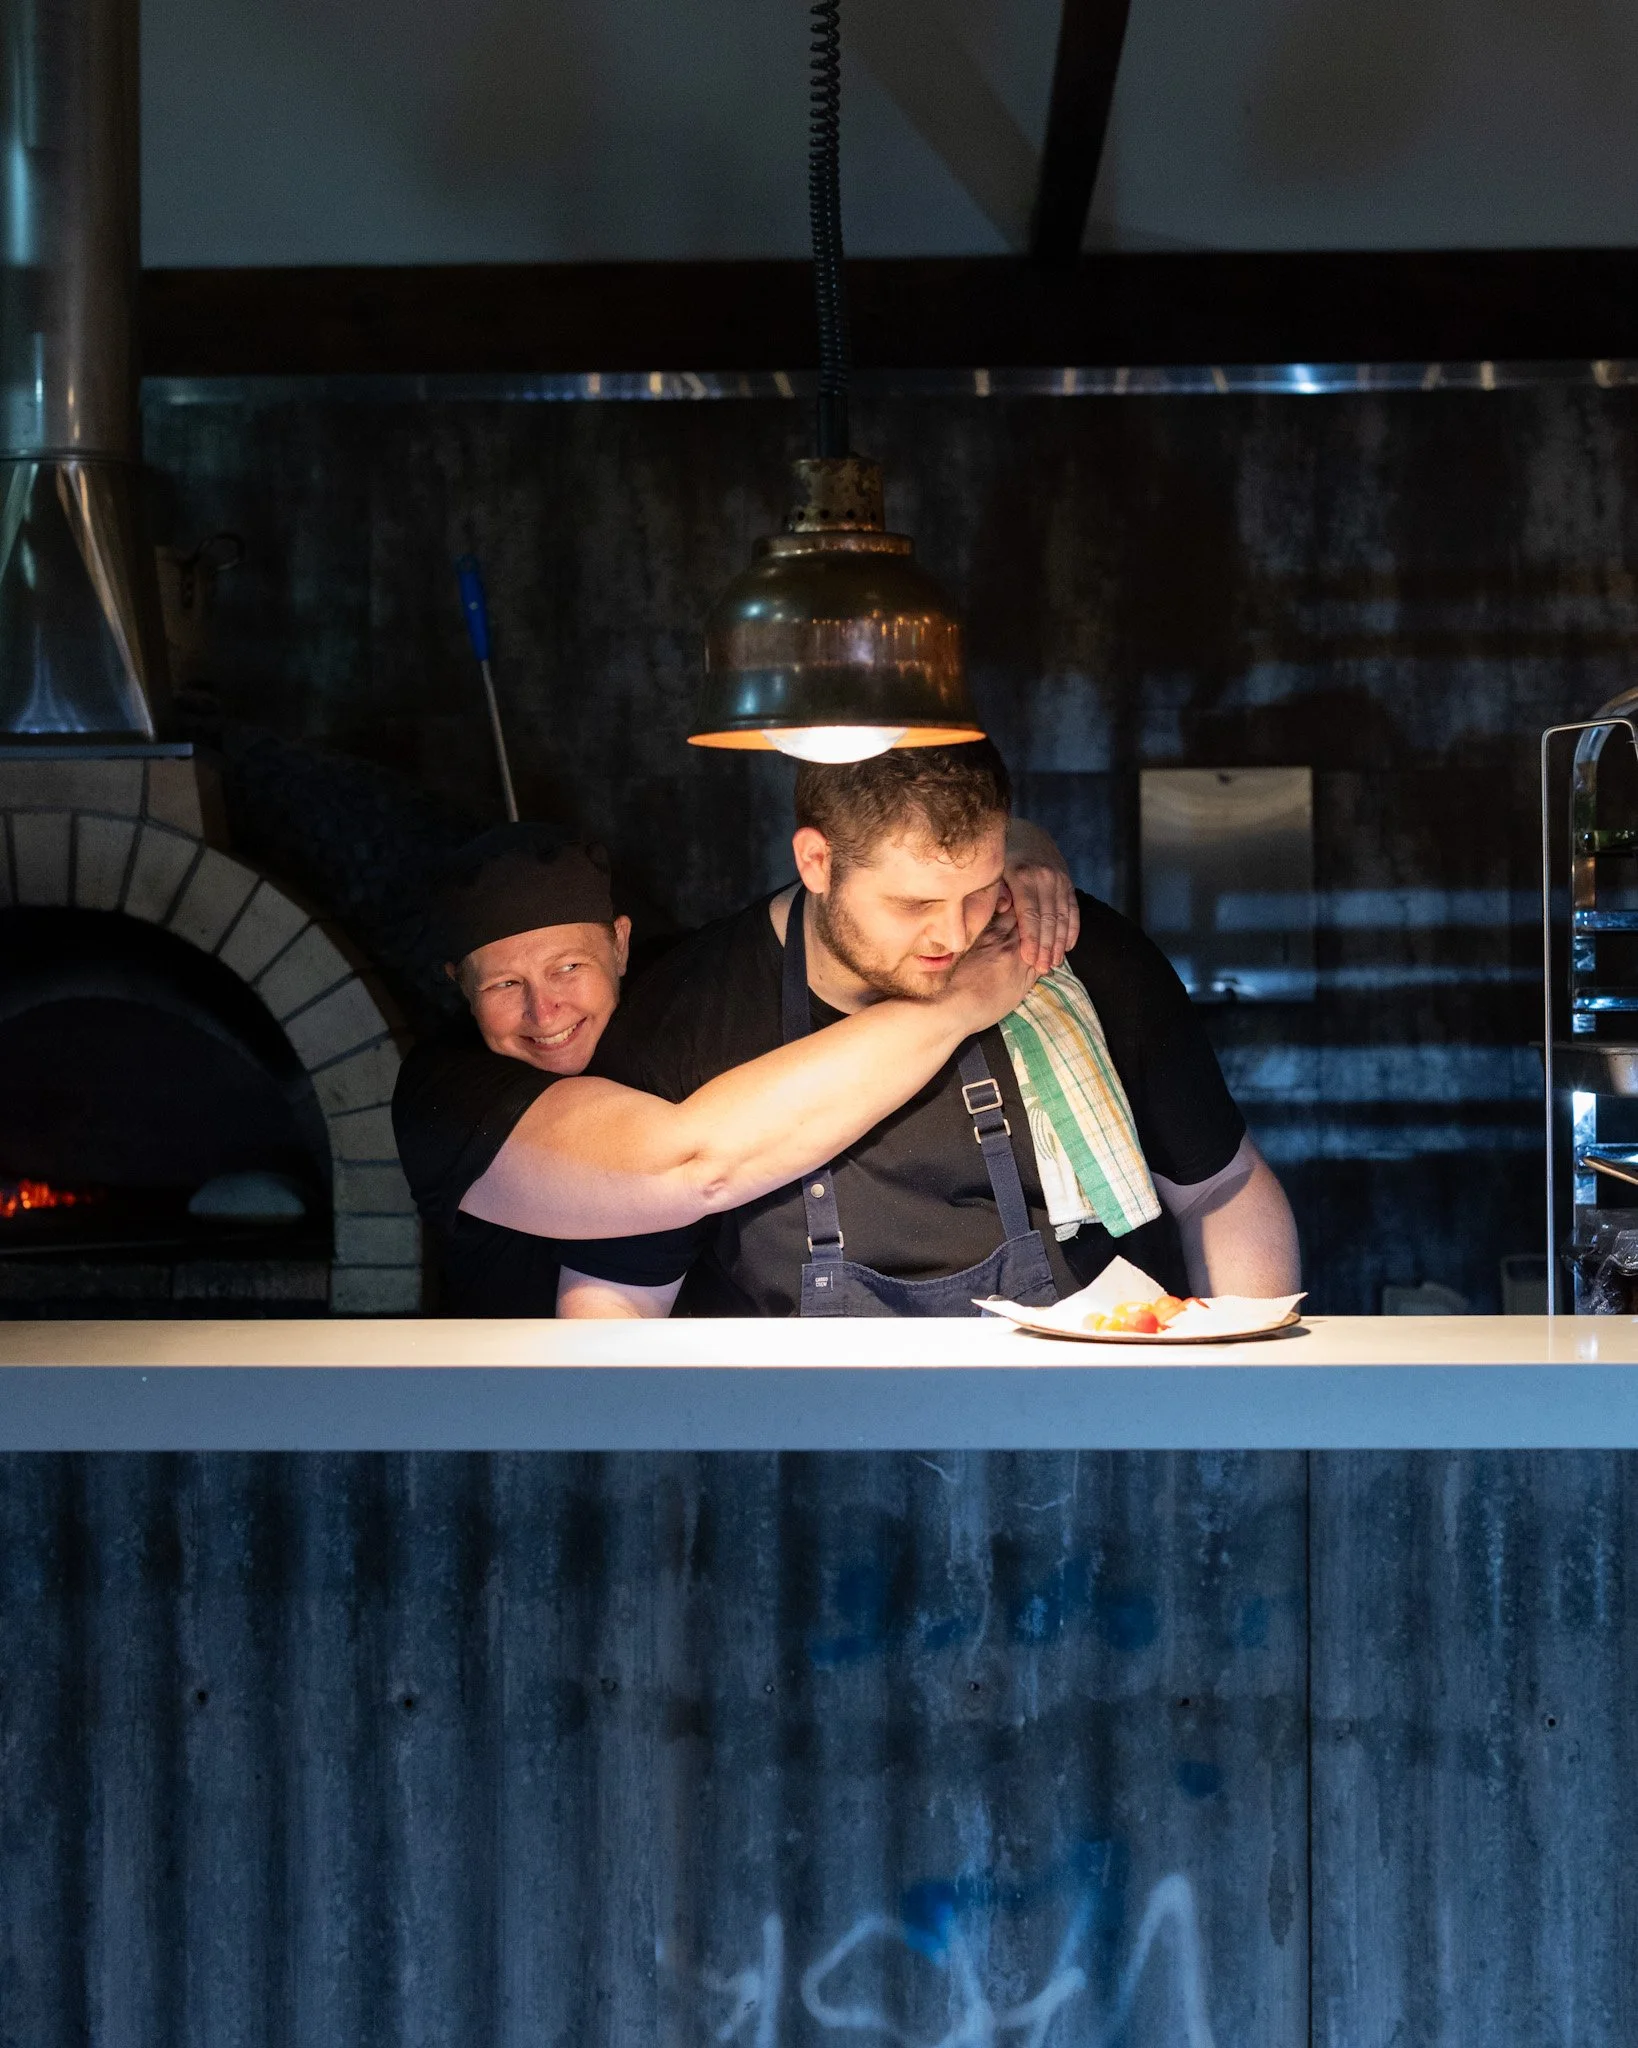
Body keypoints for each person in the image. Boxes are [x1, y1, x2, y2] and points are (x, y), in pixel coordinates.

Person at [554, 742, 1299, 1318]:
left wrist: (1245, 1398)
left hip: (1067, 1442)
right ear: (816, 861)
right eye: (913, 903)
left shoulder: (1062, 952)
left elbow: (1222, 1187)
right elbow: (616, 1293)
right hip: (799, 1465)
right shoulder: (689, 1011)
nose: (954, 933)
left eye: (978, 891)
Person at [391, 825, 1070, 1313]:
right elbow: (690, 1165)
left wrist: (1019, 848)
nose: (546, 1010)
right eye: (505, 986)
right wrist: (963, 1001)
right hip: (538, 1419)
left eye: (569, 967)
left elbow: (824, 903)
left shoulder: (683, 988)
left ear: (622, 945)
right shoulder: (445, 1094)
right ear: (459, 984)